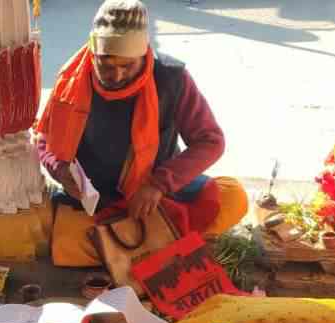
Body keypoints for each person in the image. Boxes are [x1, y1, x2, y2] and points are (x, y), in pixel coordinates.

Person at [35, 0, 249, 267]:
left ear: (145, 52)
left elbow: (211, 141)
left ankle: (126, 252)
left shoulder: (172, 79)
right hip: (95, 202)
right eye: (107, 64)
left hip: (156, 197)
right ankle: (155, 248)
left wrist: (158, 184)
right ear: (93, 51)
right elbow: (44, 138)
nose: (116, 75)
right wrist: (59, 169)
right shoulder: (72, 79)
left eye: (128, 65)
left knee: (232, 196)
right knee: (64, 240)